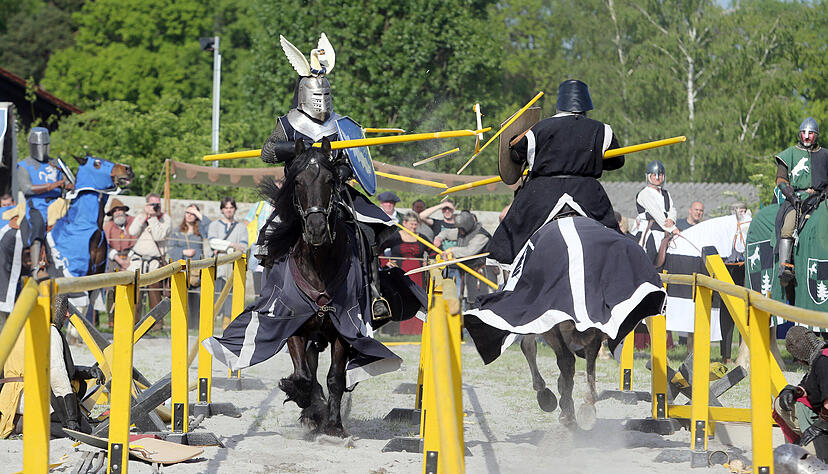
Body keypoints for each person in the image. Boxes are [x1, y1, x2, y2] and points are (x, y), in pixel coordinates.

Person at [258, 43, 396, 320]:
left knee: (368, 232)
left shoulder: (343, 125)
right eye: (316, 94)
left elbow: (355, 161)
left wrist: (344, 172)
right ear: (304, 94)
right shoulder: (288, 123)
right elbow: (267, 152)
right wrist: (295, 147)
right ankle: (270, 300)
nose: (322, 99)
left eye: (325, 93)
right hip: (299, 194)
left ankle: (374, 295)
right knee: (268, 237)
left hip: (334, 191)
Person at [488, 79, 625, 265]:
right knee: (616, 241)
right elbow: (617, 162)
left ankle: (506, 269)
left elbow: (516, 156)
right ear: (586, 104)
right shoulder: (602, 129)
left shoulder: (537, 130)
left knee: (508, 242)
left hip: (543, 192)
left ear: (560, 103)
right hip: (587, 192)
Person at [0, 300, 105, 438]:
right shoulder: (49, 331)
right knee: (83, 429)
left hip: (10, 399)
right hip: (31, 396)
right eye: (64, 308)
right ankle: (25, 424)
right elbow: (57, 375)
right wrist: (71, 420)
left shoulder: (18, 328)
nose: (67, 314)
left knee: (79, 385)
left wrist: (87, 372)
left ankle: (19, 420)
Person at [775, 117, 828, 286]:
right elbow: (781, 180)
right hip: (797, 198)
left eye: (811, 133)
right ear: (799, 134)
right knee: (789, 225)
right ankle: (785, 266)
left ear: (816, 135)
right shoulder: (789, 153)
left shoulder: (825, 155)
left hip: (822, 197)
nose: (807, 136)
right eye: (804, 133)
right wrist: (790, 195)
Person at [16, 127, 72, 277]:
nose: (42, 149)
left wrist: (68, 185)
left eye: (44, 145)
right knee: (38, 224)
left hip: (58, 204)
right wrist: (52, 185)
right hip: (37, 204)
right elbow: (27, 188)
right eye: (38, 146)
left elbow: (66, 182)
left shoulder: (56, 164)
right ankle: (36, 266)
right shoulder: (24, 165)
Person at [774, 326, 828, 461]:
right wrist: (794, 391)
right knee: (781, 403)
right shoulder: (819, 355)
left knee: (801, 455)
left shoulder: (823, 363)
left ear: (799, 354)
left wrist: (818, 428)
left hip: (825, 423)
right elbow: (809, 384)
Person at [128, 193, 172, 322]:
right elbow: (132, 231)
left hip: (155, 263)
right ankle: (133, 324)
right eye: (152, 204)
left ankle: (156, 326)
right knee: (135, 295)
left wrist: (153, 218)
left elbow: (159, 235)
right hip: (138, 261)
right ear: (147, 204)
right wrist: (144, 216)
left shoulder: (166, 219)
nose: (155, 206)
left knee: (155, 296)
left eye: (157, 204)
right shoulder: (141, 216)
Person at [437, 210, 493, 307]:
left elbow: (469, 251)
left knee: (480, 302)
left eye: (461, 229)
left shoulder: (482, 235)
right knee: (467, 302)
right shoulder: (463, 231)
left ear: (467, 225)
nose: (459, 231)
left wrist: (451, 250)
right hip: (468, 273)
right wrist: (439, 237)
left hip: (481, 273)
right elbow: (447, 232)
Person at [208, 197, 248, 321]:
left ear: (235, 209)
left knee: (230, 301)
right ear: (222, 210)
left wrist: (223, 248)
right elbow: (213, 243)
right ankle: (210, 326)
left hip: (233, 269)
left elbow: (243, 248)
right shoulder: (214, 225)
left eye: (231, 208)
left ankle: (227, 327)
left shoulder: (241, 227)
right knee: (215, 300)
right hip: (218, 269)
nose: (229, 210)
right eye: (226, 208)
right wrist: (232, 245)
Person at [169, 204, 209, 327]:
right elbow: (170, 249)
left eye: (193, 213)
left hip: (197, 272)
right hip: (182, 270)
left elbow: (211, 229)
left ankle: (195, 325)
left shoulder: (201, 231)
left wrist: (198, 214)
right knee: (181, 298)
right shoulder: (177, 231)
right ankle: (181, 324)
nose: (190, 215)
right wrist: (183, 252)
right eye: (188, 212)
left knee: (197, 299)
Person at [634, 160, 678, 263]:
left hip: (666, 229)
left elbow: (672, 209)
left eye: (661, 174)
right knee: (650, 256)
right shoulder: (644, 193)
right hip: (651, 230)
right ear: (649, 176)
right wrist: (672, 228)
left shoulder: (666, 193)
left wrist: (671, 219)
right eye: (654, 175)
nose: (658, 178)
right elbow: (656, 213)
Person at [379, 211, 433, 288]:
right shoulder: (395, 237)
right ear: (404, 223)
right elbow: (379, 248)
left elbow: (433, 251)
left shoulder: (421, 238)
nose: (414, 227)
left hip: (418, 275)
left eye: (415, 224)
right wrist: (385, 261)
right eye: (411, 224)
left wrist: (428, 261)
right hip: (398, 273)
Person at [102, 198, 136, 272]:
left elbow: (138, 243)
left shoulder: (133, 222)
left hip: (133, 255)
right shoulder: (108, 226)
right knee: (111, 274)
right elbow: (106, 246)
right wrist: (119, 260)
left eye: (120, 210)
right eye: (114, 211)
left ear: (124, 211)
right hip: (114, 258)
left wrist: (128, 260)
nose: (118, 213)